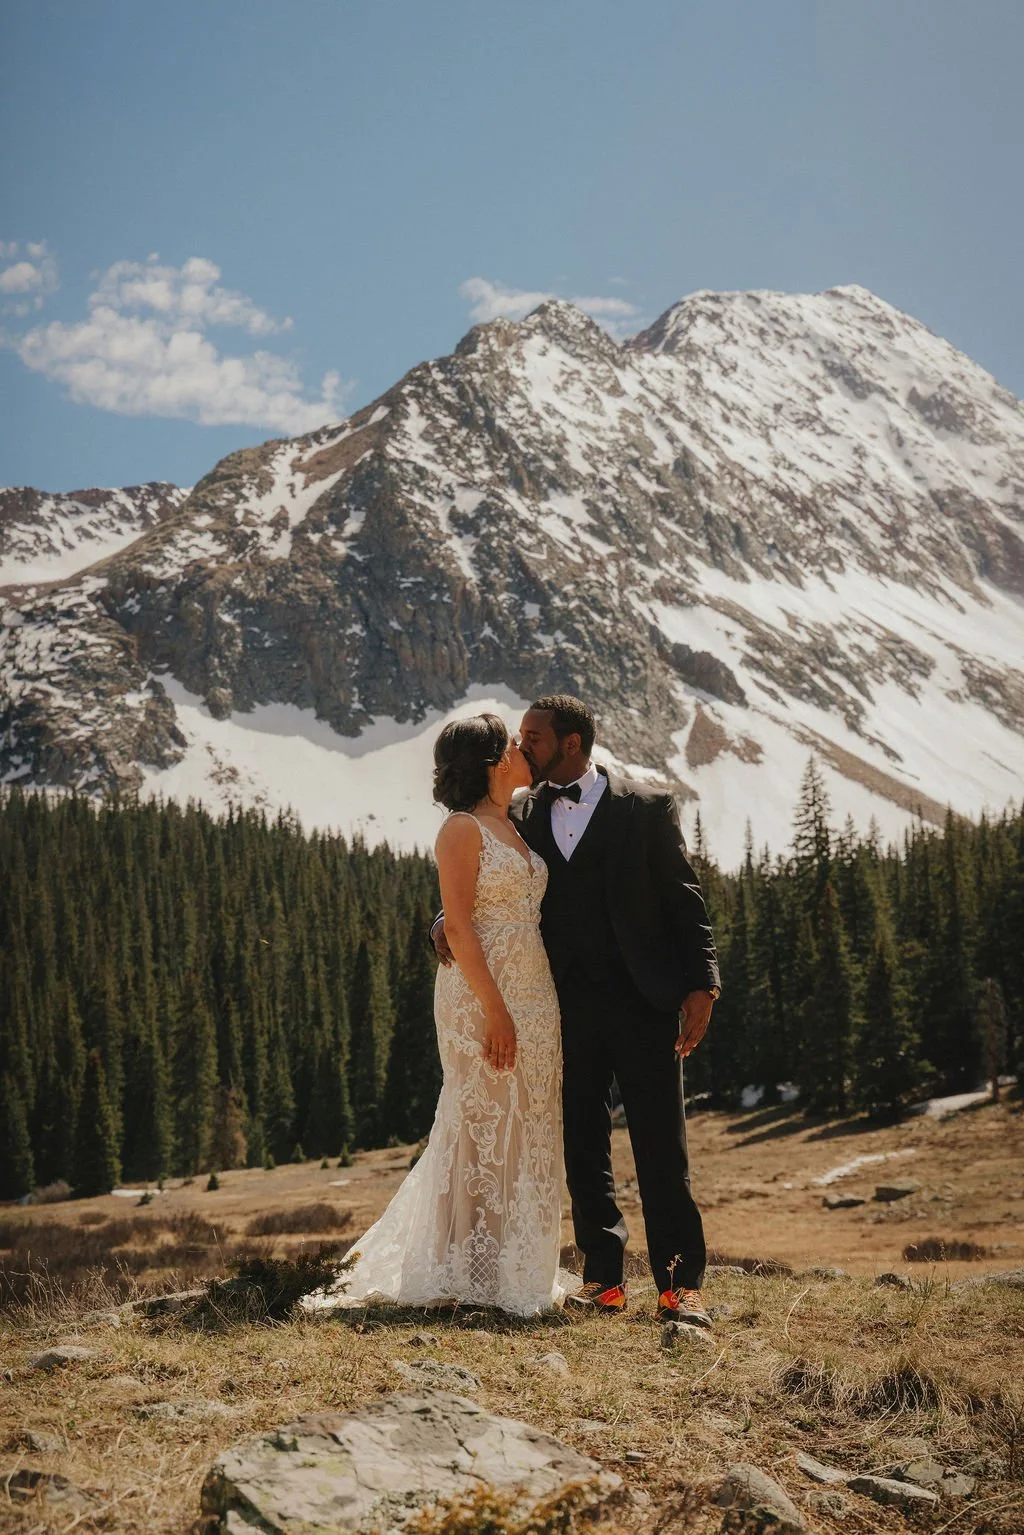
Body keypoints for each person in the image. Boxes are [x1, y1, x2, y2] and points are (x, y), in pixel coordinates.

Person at [433, 695, 720, 1326]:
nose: (520, 747)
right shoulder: (523, 810)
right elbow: (489, 882)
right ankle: (604, 1280)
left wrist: (703, 984)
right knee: (583, 1149)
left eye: (531, 737)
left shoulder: (645, 807)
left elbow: (685, 899)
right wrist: (442, 922)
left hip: (644, 1005)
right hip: (560, 1011)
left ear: (570, 743)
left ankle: (680, 1285)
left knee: (660, 1150)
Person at [304, 713, 565, 1317]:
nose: (526, 753)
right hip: (482, 995)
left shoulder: (517, 823)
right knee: (477, 1124)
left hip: (535, 991)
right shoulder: (461, 829)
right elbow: (461, 926)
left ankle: (516, 1268)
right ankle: (465, 1271)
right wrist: (496, 1012)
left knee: (528, 1121)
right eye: (514, 747)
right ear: (496, 762)